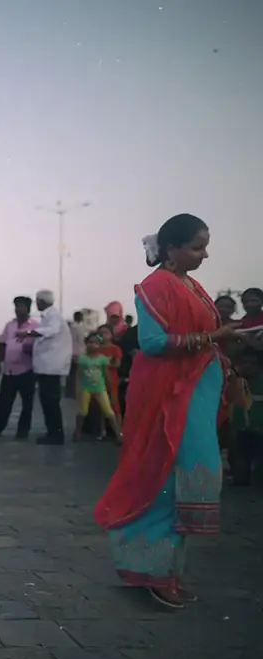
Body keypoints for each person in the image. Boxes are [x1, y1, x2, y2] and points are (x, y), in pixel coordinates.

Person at [94, 214, 242, 610]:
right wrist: (216, 336)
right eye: (197, 247)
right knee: (170, 480)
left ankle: (167, 572)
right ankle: (154, 572)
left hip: (194, 392)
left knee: (185, 480)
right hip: (170, 397)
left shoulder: (189, 284)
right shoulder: (157, 285)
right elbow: (154, 342)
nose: (204, 254)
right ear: (172, 248)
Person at [18, 290, 73, 445]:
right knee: (47, 401)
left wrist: (29, 333)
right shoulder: (48, 317)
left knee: (50, 402)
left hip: (51, 367)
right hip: (47, 366)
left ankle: (55, 434)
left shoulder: (53, 316)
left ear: (42, 301)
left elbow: (51, 331)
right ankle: (52, 432)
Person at [0, 296, 37, 439]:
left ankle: (22, 432)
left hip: (27, 370)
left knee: (27, 404)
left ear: (28, 308)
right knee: (4, 402)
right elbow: (2, 344)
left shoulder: (34, 325)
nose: (18, 309)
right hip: (9, 371)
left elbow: (39, 346)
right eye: (16, 306)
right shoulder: (10, 325)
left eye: (21, 306)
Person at [73, 333, 123, 444]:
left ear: (99, 345)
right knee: (83, 411)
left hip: (100, 388)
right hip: (85, 388)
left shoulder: (102, 359)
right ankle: (77, 431)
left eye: (95, 343)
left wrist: (111, 390)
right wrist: (76, 389)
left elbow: (106, 374)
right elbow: (78, 374)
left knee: (109, 412)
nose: (92, 345)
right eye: (90, 342)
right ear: (86, 344)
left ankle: (118, 434)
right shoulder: (82, 359)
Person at [229, 349, 263, 486]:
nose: (247, 367)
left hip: (260, 430)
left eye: (251, 363)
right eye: (244, 363)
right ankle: (241, 478)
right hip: (240, 429)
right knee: (239, 457)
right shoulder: (235, 382)